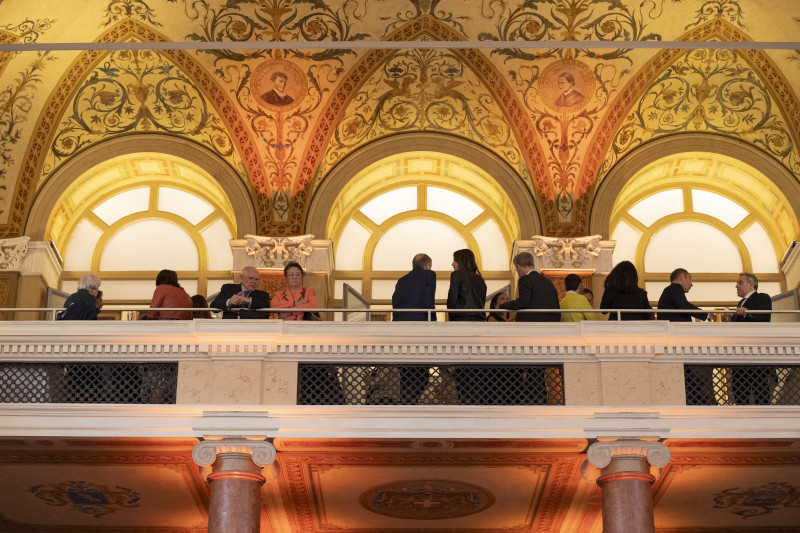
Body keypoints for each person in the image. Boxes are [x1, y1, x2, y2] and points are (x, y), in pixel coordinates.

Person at [728, 273, 774, 405]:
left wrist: (746, 312)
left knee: (760, 392)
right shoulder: (740, 303)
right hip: (740, 356)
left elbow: (764, 318)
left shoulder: (762, 297)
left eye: (740, 282)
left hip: (755, 353)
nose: (736, 285)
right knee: (739, 392)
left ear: (751, 284)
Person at [499, 252, 559, 322]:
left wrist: (502, 306)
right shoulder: (547, 281)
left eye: (516, 269)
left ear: (518, 266)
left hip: (531, 323)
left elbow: (523, 302)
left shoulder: (525, 279)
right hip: (551, 322)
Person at [392, 253, 436, 321]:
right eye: (430, 266)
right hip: (420, 321)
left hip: (400, 322)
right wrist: (434, 321)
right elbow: (428, 302)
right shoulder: (429, 275)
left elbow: (395, 301)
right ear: (427, 265)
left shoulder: (401, 280)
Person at [446, 249, 486, 322]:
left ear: (461, 262)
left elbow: (452, 299)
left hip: (461, 318)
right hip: (480, 319)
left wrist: (451, 318)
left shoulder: (457, 275)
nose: (452, 264)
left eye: (455, 260)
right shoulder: (480, 279)